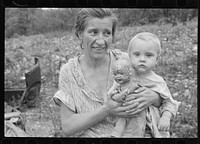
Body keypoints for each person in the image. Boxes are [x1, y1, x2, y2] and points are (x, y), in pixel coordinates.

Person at [53, 8, 162, 137]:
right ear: (80, 33)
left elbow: (160, 93)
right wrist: (107, 110)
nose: (101, 41)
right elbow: (68, 127)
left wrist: (155, 97)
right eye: (93, 32)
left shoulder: (126, 61)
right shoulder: (69, 72)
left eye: (107, 33)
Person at [118, 32, 180, 137]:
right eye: (137, 54)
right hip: (128, 130)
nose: (142, 59)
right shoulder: (125, 77)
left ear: (157, 59)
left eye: (148, 55)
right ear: (129, 56)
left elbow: (169, 103)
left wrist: (165, 117)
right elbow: (112, 94)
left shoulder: (158, 82)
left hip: (151, 129)